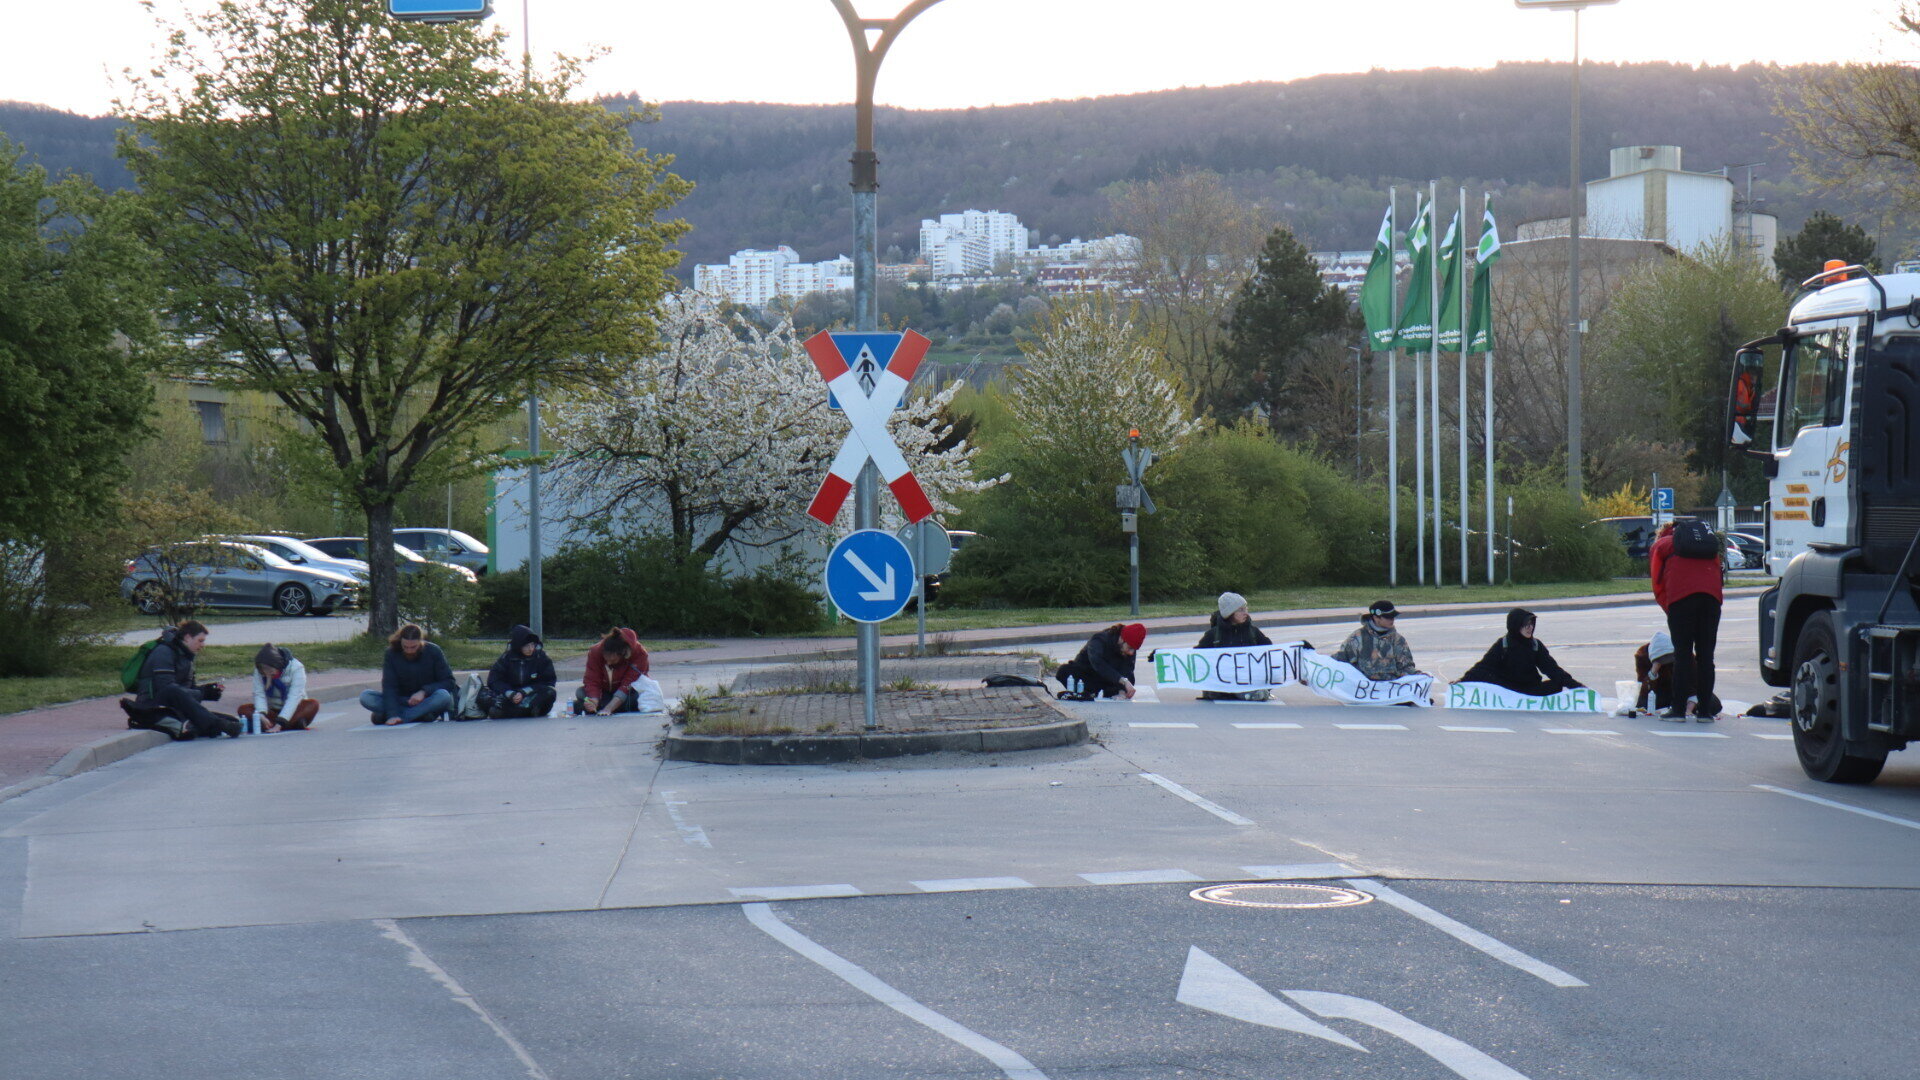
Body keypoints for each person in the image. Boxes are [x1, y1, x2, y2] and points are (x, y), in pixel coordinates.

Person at [1650, 519, 1724, 722]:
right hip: (1711, 600)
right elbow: (1718, 574)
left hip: (1681, 600)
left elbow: (1658, 582)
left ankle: (1678, 710)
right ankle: (1706, 712)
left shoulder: (1662, 546)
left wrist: (1670, 610)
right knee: (1706, 656)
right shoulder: (1707, 546)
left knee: (1682, 655)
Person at [132, 620, 240, 739]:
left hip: (176, 707)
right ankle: (213, 725)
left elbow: (188, 691)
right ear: (188, 637)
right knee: (173, 690)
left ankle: (203, 725)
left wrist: (208, 691)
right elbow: (166, 689)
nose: (203, 645)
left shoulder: (187, 658)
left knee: (232, 720)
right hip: (152, 706)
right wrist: (202, 693)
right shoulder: (163, 652)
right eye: (200, 641)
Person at [1459, 608, 1585, 696]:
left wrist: (1576, 686)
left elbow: (1552, 669)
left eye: (1531, 624)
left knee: (1557, 685)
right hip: (1507, 688)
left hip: (1530, 688)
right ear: (1515, 625)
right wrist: (1462, 680)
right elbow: (1483, 667)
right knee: (1487, 680)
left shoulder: (1535, 645)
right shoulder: (1503, 644)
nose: (1530, 628)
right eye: (1526, 624)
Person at [360, 623, 456, 726]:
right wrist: (393, 714)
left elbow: (449, 682)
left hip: (426, 700)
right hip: (401, 700)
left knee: (444, 696)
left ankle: (398, 717)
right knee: (366, 696)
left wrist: (424, 692)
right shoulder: (391, 653)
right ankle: (418, 715)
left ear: (421, 642)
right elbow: (389, 687)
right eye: (405, 647)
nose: (409, 650)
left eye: (413, 647)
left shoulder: (434, 651)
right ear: (400, 641)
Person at [1196, 591, 1273, 701]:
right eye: (1241, 610)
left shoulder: (1253, 632)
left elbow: (1271, 651)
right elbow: (1197, 657)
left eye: (1246, 609)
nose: (1246, 613)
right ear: (1229, 613)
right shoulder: (1213, 634)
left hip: (1247, 680)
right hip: (1222, 683)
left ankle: (1250, 692)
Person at [1331, 600, 1420, 681]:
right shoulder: (1357, 638)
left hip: (1391, 689)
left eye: (1393, 616)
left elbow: (1406, 667)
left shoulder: (1397, 640)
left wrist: (1419, 675)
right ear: (1376, 617)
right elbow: (1341, 661)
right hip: (1365, 689)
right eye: (1388, 617)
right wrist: (1318, 660)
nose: (1392, 619)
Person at [240, 643, 318, 733]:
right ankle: (289, 725)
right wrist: (261, 715)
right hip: (271, 710)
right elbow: (259, 694)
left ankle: (280, 725)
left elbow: (294, 697)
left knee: (313, 704)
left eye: (270, 671)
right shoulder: (259, 672)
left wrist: (280, 723)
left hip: (295, 710)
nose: (267, 674)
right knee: (243, 709)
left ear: (277, 665)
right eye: (264, 671)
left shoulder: (296, 668)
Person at [1056, 623, 1146, 700]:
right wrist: (1123, 681)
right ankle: (1087, 692)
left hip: (1108, 680)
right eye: (1130, 648)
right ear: (1122, 639)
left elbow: (1128, 671)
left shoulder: (1129, 647)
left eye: (1134, 650)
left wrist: (1123, 691)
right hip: (1087, 673)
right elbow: (1097, 663)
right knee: (1064, 671)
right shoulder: (1099, 639)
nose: (1131, 653)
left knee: (1124, 682)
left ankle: (1102, 692)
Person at [574, 627, 651, 716]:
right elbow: (592, 679)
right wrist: (594, 700)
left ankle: (599, 707)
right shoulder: (595, 651)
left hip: (628, 694)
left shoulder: (640, 654)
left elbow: (628, 684)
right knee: (580, 692)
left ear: (623, 655)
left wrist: (608, 709)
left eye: (613, 660)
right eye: (606, 660)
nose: (609, 663)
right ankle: (600, 706)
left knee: (638, 698)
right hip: (604, 692)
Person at [487, 624, 558, 719]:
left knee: (550, 693)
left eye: (532, 645)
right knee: (491, 698)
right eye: (527, 646)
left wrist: (524, 692)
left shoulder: (541, 658)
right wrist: (510, 693)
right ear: (518, 646)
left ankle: (523, 710)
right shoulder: (506, 659)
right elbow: (494, 680)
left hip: (532, 695)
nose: (531, 649)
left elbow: (548, 681)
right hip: (512, 695)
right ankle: (523, 711)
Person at [1633, 631, 1677, 714]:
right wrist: (1654, 670)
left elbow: (1692, 678)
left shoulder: (1679, 653)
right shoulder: (1642, 656)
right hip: (1656, 690)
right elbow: (1643, 688)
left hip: (1675, 687)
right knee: (1644, 703)